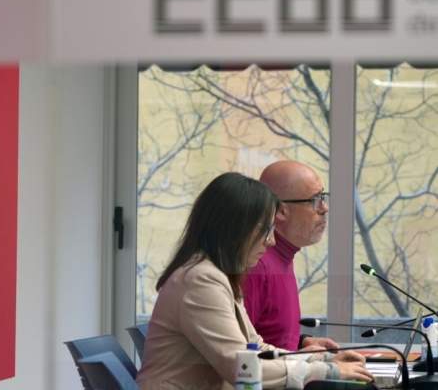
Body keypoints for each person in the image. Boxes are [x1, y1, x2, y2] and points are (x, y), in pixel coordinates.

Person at [136, 172, 372, 389]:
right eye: (266, 230)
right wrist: (326, 370)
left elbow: (257, 348)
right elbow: (242, 368)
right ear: (235, 229)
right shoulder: (200, 280)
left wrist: (320, 358)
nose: (271, 241)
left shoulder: (217, 274)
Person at [243, 160, 337, 351]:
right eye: (314, 200)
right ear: (281, 211)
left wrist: (301, 343)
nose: (324, 208)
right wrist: (302, 359)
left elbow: (269, 333)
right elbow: (241, 350)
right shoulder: (256, 264)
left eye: (323, 196)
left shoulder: (284, 255)